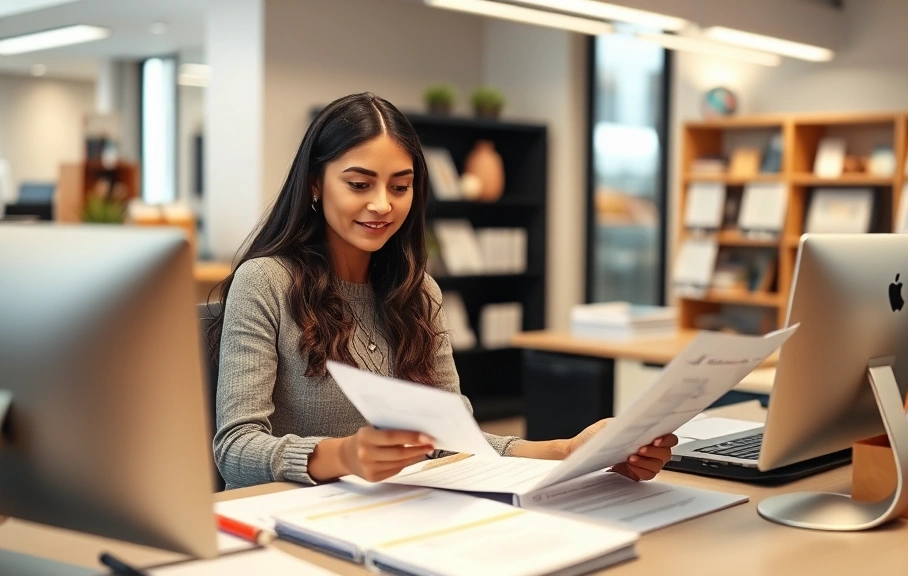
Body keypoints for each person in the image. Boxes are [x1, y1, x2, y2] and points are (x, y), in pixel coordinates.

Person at [209, 92, 678, 490]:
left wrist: (567, 450)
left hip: (403, 516)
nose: (381, 205)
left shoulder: (418, 293)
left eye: (400, 186)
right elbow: (234, 449)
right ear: (315, 183)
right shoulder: (266, 281)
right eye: (359, 184)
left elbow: (455, 440)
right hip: (291, 525)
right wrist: (345, 456)